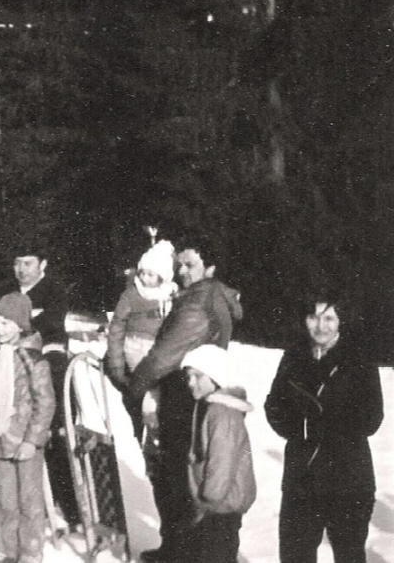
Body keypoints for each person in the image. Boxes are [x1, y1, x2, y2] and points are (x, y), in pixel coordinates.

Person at [126, 240, 243, 563]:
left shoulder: (199, 302)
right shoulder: (200, 296)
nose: (182, 271)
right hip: (189, 392)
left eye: (190, 265)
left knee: (178, 474)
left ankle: (181, 551)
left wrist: (134, 387)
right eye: (180, 264)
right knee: (177, 473)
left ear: (210, 268)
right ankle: (176, 548)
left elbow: (164, 356)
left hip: (185, 393)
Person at [264, 296, 383, 563]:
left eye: (328, 318)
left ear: (341, 321)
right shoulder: (294, 356)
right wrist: (301, 429)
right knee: (295, 555)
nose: (320, 326)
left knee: (349, 555)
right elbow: (274, 406)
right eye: (313, 317)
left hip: (348, 478)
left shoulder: (359, 359)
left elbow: (371, 418)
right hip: (301, 477)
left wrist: (318, 426)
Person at [0, 245, 78, 527]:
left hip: (49, 363)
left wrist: (19, 325)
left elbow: (51, 322)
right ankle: (32, 504)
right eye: (17, 263)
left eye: (27, 263)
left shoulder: (53, 289)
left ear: (43, 264)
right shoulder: (7, 289)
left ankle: (70, 504)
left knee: (54, 432)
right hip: (14, 366)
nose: (21, 269)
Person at [0, 293, 54, 563]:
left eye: (6, 323)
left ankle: (30, 554)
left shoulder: (33, 360)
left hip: (24, 440)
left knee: (29, 501)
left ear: (21, 325)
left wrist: (31, 440)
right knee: (7, 501)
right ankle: (12, 551)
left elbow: (45, 402)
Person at [180, 344, 256, 563]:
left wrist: (208, 500)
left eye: (197, 376)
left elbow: (222, 463)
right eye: (189, 377)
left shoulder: (222, 414)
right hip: (215, 505)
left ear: (215, 377)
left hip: (221, 506)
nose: (190, 382)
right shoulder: (210, 406)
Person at [106, 240, 178, 440]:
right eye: (142, 272)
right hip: (135, 344)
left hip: (158, 347)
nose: (144, 278)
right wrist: (117, 362)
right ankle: (148, 414)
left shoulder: (169, 295)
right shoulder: (132, 294)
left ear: (163, 277)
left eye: (151, 274)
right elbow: (118, 324)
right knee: (145, 381)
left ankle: (153, 424)